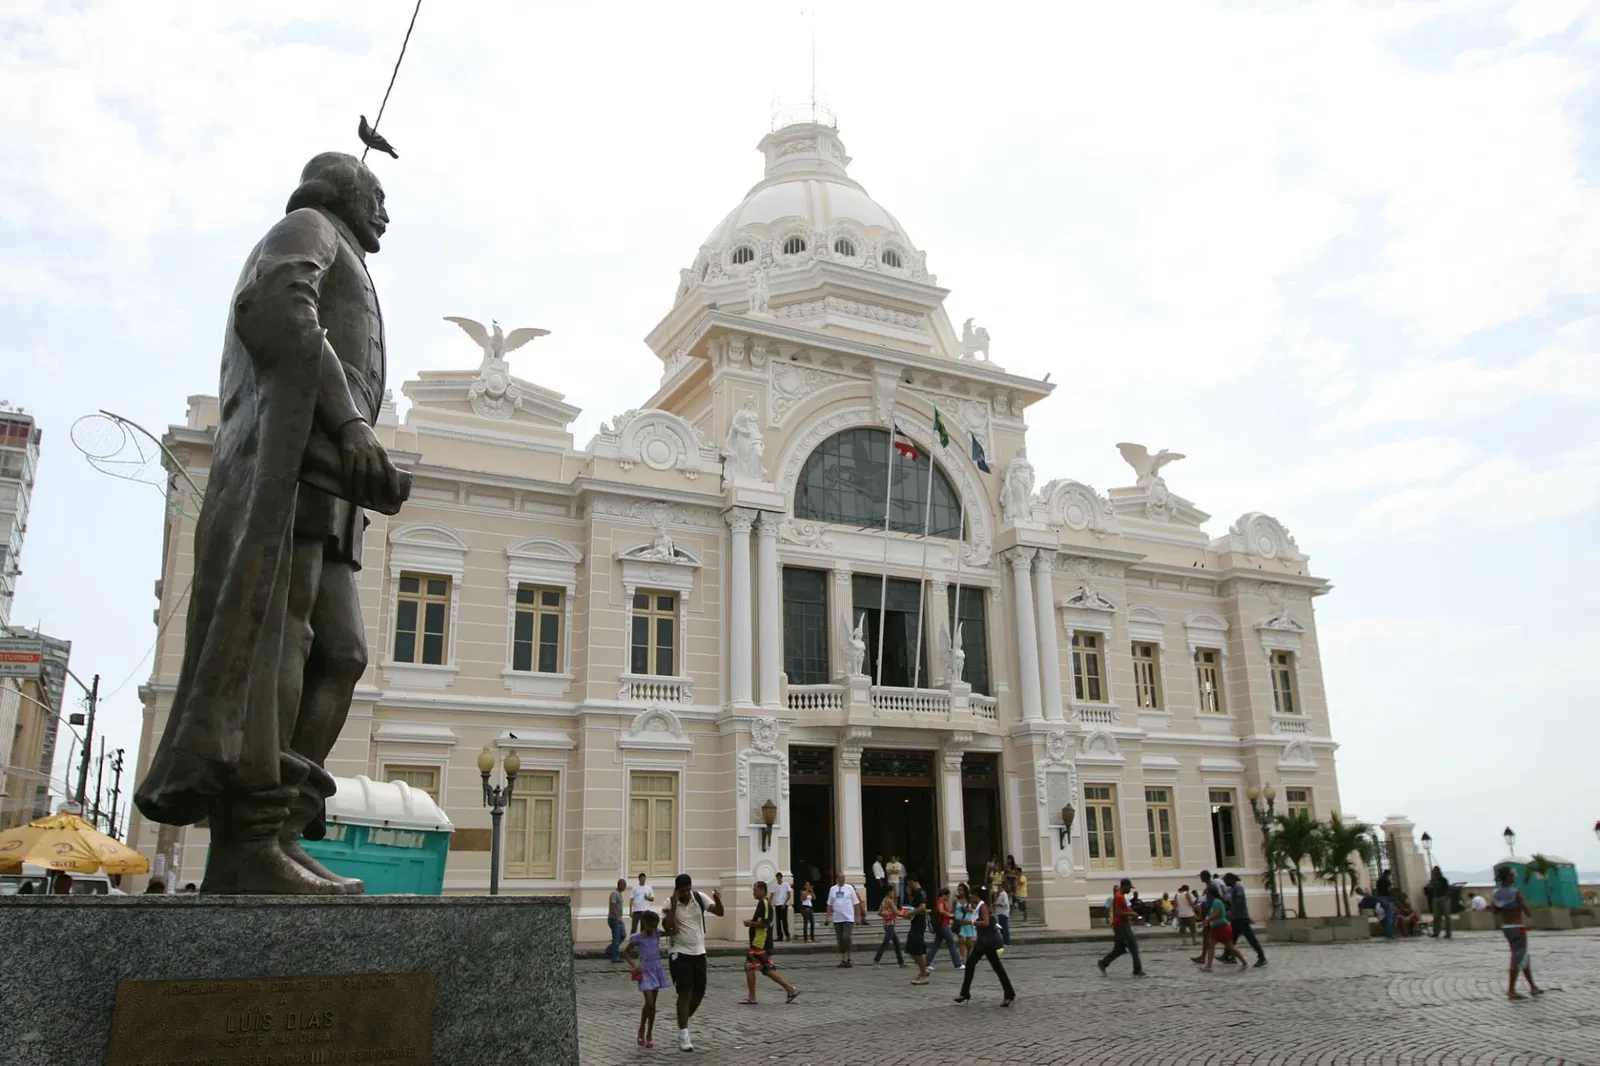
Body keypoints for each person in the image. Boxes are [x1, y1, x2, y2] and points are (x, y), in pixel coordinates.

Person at [133, 153, 407, 896]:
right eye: (376, 194)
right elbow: (279, 308)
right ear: (342, 188)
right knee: (281, 637)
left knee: (341, 655)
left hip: (330, 483)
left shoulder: (345, 252)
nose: (385, 212)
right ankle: (246, 841)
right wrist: (349, 423)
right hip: (292, 468)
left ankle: (277, 829)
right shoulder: (308, 227)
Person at [661, 872, 724, 1053]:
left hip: (699, 952)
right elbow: (667, 926)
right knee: (684, 992)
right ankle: (684, 1034)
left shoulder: (698, 897)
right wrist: (674, 906)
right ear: (676, 890)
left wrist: (717, 900)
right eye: (682, 890)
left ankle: (683, 1020)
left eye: (688, 889)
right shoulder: (669, 903)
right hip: (679, 953)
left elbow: (719, 912)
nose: (686, 893)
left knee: (699, 991)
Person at [954, 885, 1015, 1006]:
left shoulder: (983, 907)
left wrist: (970, 922)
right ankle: (965, 993)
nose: (971, 896)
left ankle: (1009, 994)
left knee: (996, 968)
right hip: (983, 942)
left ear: (976, 895)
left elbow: (986, 922)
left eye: (972, 894)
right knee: (972, 965)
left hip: (987, 943)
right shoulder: (979, 906)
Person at [741, 881, 799, 1005]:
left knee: (750, 966)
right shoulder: (761, 904)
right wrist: (752, 922)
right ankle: (789, 988)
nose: (754, 892)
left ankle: (753, 997)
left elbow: (765, 924)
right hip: (759, 942)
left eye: (755, 890)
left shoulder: (765, 904)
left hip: (760, 943)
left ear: (762, 891)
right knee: (766, 969)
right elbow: (761, 921)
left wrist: (750, 923)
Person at [1491, 866, 1542, 1000]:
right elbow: (1527, 910)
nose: (1514, 877)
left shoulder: (1496, 893)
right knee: (1518, 955)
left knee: (1523, 956)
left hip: (1506, 927)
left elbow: (1495, 910)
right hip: (1518, 926)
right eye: (1513, 875)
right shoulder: (1516, 892)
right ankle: (1511, 990)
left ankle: (1533, 986)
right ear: (1509, 877)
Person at [622, 910, 669, 1048]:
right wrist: (634, 966)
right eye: (651, 926)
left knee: (652, 1004)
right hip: (645, 971)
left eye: (655, 926)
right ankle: (642, 1027)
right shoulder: (637, 938)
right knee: (649, 1001)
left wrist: (671, 911)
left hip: (656, 969)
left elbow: (674, 931)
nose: (653, 928)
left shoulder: (657, 934)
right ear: (645, 923)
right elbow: (626, 953)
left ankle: (649, 1033)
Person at [1097, 877, 1145, 977]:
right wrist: (1131, 914)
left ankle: (1103, 963)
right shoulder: (1119, 897)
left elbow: (1124, 909)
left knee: (1119, 949)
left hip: (1120, 925)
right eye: (1129, 888)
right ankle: (1137, 970)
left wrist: (1131, 913)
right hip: (1122, 926)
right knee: (1134, 947)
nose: (1130, 890)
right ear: (1124, 886)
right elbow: (1119, 912)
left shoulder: (1121, 896)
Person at [1201, 883, 1248, 972]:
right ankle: (1209, 966)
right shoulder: (1217, 901)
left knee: (1229, 947)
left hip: (1221, 928)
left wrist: (1206, 921)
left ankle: (1244, 962)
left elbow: (1215, 915)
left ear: (1210, 894)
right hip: (1218, 928)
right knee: (1212, 945)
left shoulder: (1216, 902)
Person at [1224, 873, 1267, 967]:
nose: (1224, 882)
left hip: (1241, 918)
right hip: (1237, 918)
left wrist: (1232, 910)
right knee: (1231, 938)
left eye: (1226, 880)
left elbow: (1239, 900)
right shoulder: (1234, 888)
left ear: (1230, 880)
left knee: (1251, 939)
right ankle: (1226, 955)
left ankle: (1262, 957)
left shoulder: (1238, 888)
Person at [827, 871, 864, 967]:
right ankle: (843, 959)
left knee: (846, 937)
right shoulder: (833, 889)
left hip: (848, 918)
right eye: (840, 877)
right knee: (840, 940)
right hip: (837, 918)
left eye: (843, 877)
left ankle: (849, 958)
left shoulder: (849, 888)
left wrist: (858, 917)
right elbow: (829, 904)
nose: (842, 879)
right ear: (837, 878)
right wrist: (828, 916)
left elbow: (856, 903)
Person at [904, 875, 931, 985]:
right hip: (915, 923)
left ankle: (923, 974)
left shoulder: (920, 892)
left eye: (908, 883)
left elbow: (922, 907)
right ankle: (924, 969)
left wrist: (910, 913)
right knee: (911, 949)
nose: (908, 886)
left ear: (911, 881)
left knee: (917, 950)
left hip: (919, 924)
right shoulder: (915, 893)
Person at [931, 887, 963, 970]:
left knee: (936, 944)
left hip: (941, 925)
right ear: (944, 895)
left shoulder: (942, 902)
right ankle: (957, 964)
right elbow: (941, 911)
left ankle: (927, 962)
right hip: (943, 925)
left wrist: (953, 908)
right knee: (951, 943)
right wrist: (949, 915)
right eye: (948, 896)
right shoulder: (940, 901)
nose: (948, 898)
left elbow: (949, 911)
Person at [874, 888, 906, 967]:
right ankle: (876, 961)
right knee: (885, 943)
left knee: (896, 943)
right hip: (890, 924)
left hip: (886, 923)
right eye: (893, 892)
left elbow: (879, 912)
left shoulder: (884, 900)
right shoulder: (890, 901)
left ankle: (901, 962)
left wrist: (887, 913)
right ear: (889, 892)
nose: (894, 893)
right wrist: (905, 913)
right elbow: (896, 912)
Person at [606, 878, 628, 964]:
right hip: (614, 919)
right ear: (619, 885)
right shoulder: (614, 894)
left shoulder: (620, 894)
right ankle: (615, 957)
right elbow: (613, 906)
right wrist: (617, 917)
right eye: (623, 885)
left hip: (619, 919)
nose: (625, 887)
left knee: (623, 935)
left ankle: (609, 949)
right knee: (616, 938)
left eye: (625, 885)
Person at [954, 883, 977, 963]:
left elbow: (976, 910)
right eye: (958, 890)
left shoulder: (970, 900)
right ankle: (963, 957)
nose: (959, 891)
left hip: (968, 922)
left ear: (965, 891)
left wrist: (970, 910)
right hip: (960, 923)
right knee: (961, 941)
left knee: (969, 942)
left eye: (961, 890)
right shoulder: (955, 901)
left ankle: (968, 955)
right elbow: (953, 911)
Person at [1428, 866, 1452, 939]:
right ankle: (1436, 932)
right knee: (1436, 916)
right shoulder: (1433, 880)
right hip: (1436, 898)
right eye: (1434, 871)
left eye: (1436, 871)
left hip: (1443, 898)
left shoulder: (1443, 880)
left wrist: (1447, 897)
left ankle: (1448, 933)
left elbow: (1447, 888)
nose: (1435, 872)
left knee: (1447, 916)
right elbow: (1431, 888)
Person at [771, 872, 793, 942]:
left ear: (781, 877)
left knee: (784, 920)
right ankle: (779, 936)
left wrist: (785, 903)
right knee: (778, 921)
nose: (778, 878)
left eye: (779, 877)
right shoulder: (774, 885)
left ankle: (787, 935)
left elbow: (789, 895)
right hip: (777, 904)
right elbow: (772, 895)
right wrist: (769, 902)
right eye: (777, 877)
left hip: (784, 904)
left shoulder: (786, 884)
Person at [993, 881, 1012, 947]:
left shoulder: (1004, 894)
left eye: (1000, 886)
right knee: (1001, 928)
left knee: (1004, 929)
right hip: (999, 913)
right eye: (998, 886)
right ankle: (1004, 941)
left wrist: (998, 904)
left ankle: (1007, 942)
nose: (998, 887)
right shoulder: (1000, 894)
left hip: (1003, 913)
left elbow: (1005, 904)